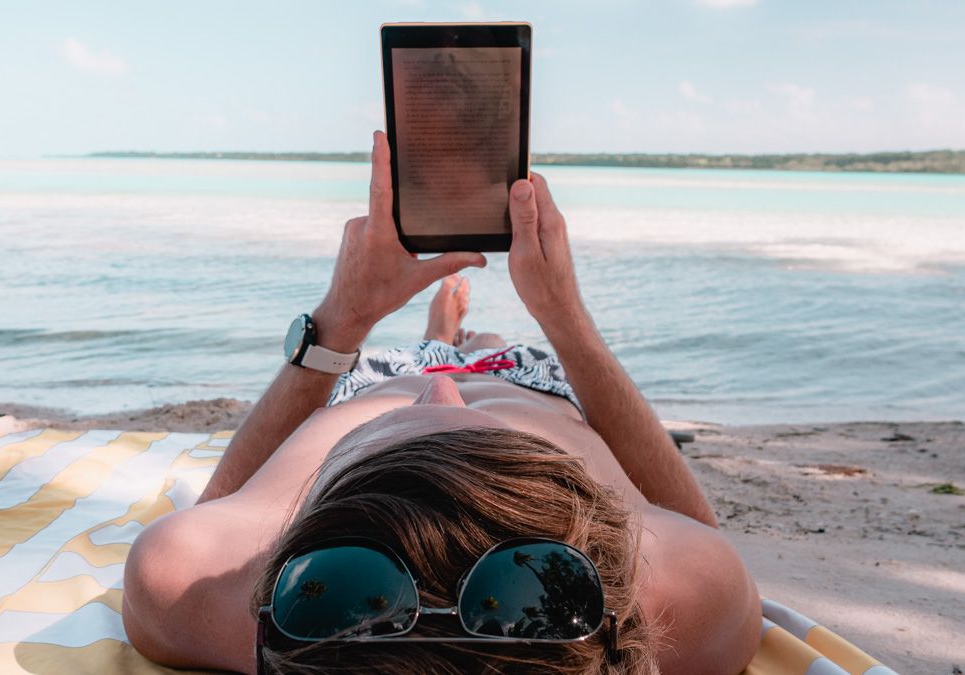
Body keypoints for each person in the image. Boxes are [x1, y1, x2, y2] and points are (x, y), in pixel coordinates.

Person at [122, 131, 762, 674]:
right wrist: (565, 316)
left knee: (434, 351)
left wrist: (342, 319)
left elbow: (217, 511)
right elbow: (698, 533)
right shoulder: (673, 604)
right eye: (474, 429)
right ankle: (470, 336)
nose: (447, 389)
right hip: (530, 385)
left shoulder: (224, 593)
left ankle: (436, 334)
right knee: (496, 345)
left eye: (390, 440)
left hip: (377, 378)